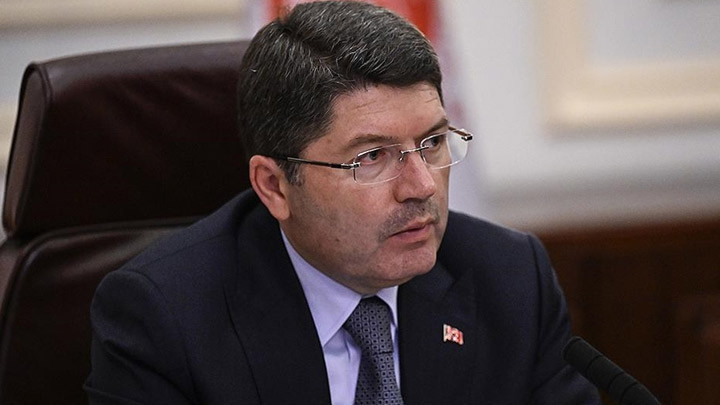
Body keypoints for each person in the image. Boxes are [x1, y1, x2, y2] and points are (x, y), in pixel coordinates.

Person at [85, 1, 602, 404]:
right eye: (372, 157)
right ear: (274, 187)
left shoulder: (509, 278)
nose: (422, 185)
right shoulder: (165, 317)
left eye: (432, 143)